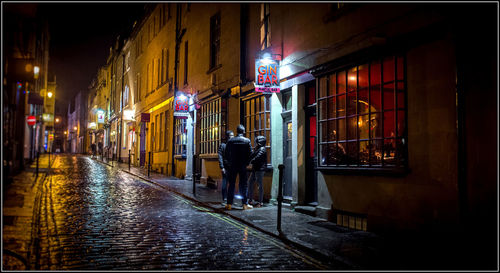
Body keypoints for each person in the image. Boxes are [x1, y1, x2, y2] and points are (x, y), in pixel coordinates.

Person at [225, 124, 253, 210]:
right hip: (242, 165)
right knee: (243, 185)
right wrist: (247, 163)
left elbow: (226, 154)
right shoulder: (247, 141)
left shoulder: (231, 141)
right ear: (243, 131)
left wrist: (230, 163)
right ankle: (245, 204)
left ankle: (229, 204)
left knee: (231, 184)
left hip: (233, 165)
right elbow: (250, 154)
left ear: (237, 131)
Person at [247, 135, 267, 208]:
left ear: (260, 142)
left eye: (257, 142)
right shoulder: (258, 148)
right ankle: (250, 199)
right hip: (255, 169)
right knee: (250, 183)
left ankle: (260, 202)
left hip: (260, 169)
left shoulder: (262, 149)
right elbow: (252, 155)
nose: (256, 143)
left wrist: (251, 161)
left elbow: (258, 157)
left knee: (259, 185)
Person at [218, 130, 234, 205]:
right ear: (227, 137)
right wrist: (222, 167)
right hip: (226, 167)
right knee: (225, 183)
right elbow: (220, 156)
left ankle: (229, 199)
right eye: (231, 136)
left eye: (233, 136)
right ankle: (224, 199)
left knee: (231, 183)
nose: (232, 137)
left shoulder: (233, 144)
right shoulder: (223, 145)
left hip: (232, 167)